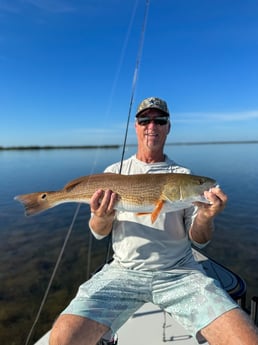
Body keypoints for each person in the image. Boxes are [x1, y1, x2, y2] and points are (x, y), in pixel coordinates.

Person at [50, 97, 258, 345]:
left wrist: (205, 217)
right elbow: (98, 233)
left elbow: (200, 240)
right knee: (63, 339)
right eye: (144, 120)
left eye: (160, 120)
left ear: (168, 127)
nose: (152, 126)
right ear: (136, 126)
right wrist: (100, 217)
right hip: (123, 272)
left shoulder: (182, 175)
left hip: (180, 272)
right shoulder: (114, 171)